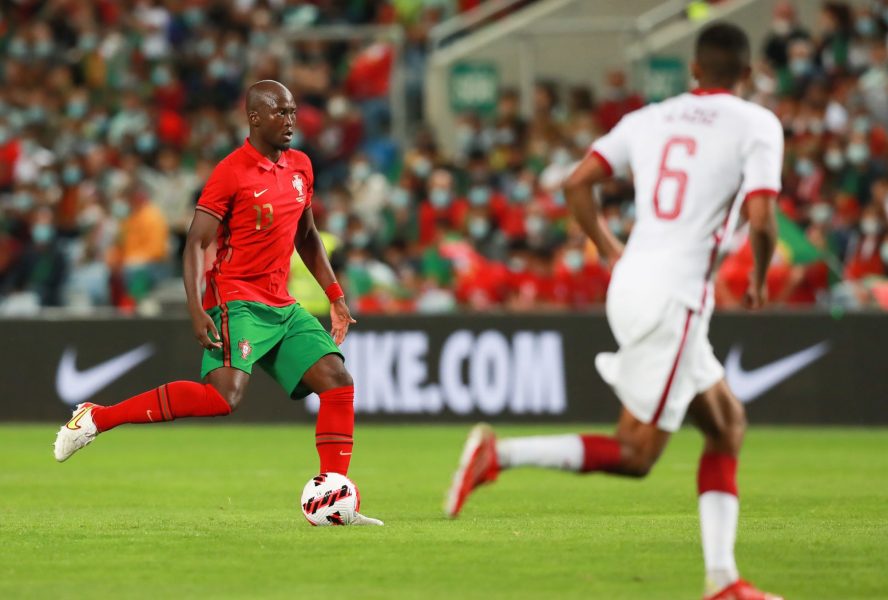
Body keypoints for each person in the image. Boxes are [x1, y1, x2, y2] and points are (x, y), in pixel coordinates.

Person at [446, 24, 783, 599]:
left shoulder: (649, 118)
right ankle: (499, 455)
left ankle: (724, 581)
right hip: (674, 298)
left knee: (727, 426)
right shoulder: (756, 123)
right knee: (635, 454)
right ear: (746, 75)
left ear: (694, 71)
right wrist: (756, 275)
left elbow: (578, 183)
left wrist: (607, 248)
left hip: (631, 282)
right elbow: (761, 219)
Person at [53, 80, 381, 526]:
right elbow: (195, 243)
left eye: (292, 111)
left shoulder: (301, 166)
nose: (290, 121)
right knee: (225, 397)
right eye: (280, 112)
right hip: (237, 299)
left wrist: (336, 297)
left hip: (281, 304)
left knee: (337, 381)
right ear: (254, 118)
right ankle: (97, 418)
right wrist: (195, 306)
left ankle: (334, 499)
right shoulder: (231, 173)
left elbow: (306, 234)